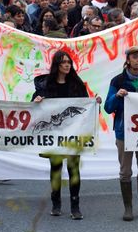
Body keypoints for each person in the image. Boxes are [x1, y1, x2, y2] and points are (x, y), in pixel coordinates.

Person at [32, 50, 101, 220]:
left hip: (73, 136)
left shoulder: (77, 85)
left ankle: (75, 206)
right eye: (63, 62)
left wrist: (96, 102)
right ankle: (56, 203)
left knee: (73, 170)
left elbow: (86, 107)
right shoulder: (45, 86)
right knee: (55, 169)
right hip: (54, 136)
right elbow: (33, 108)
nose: (67, 65)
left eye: (69, 62)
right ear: (57, 65)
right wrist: (36, 101)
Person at [104, 46, 138, 221]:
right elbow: (108, 107)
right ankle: (128, 208)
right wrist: (117, 96)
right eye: (135, 57)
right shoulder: (117, 80)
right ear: (128, 60)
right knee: (125, 171)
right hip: (123, 132)